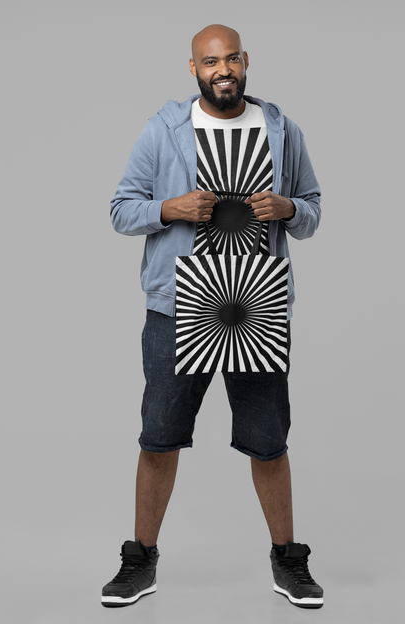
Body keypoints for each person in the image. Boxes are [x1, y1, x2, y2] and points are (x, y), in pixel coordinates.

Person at [102, 24, 323, 610]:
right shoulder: (165, 130)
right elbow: (121, 209)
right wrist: (168, 208)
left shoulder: (280, 128)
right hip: (179, 305)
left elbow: (313, 211)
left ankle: (288, 560)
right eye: (209, 62)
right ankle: (139, 562)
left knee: (269, 441)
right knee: (159, 437)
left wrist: (290, 206)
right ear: (193, 69)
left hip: (257, 301)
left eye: (230, 60)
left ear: (245, 62)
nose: (221, 70)